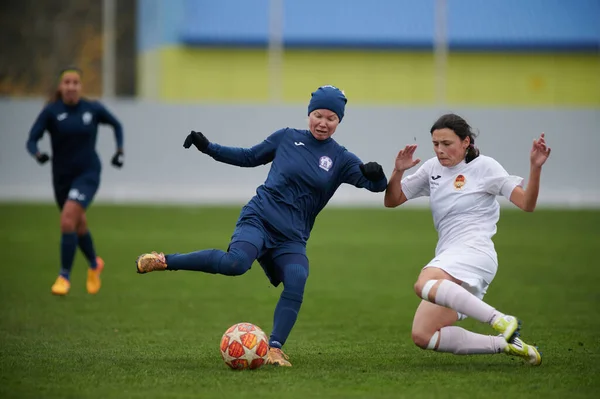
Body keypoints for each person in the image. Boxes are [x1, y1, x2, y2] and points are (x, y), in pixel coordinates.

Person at [135, 85, 388, 367]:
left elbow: (376, 186)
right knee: (236, 263)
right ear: (309, 114)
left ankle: (275, 349)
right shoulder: (286, 138)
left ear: (339, 121)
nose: (323, 123)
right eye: (318, 115)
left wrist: (376, 175)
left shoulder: (340, 158)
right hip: (260, 218)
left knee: (297, 277)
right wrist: (208, 148)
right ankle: (164, 260)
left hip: (291, 237)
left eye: (331, 118)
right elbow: (248, 157)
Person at [384, 113, 549, 366]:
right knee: (423, 334)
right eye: (436, 144)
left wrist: (535, 168)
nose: (440, 150)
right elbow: (392, 200)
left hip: (474, 251)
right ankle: (505, 344)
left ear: (466, 142)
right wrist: (398, 170)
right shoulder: (431, 168)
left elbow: (527, 204)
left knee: (424, 283)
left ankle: (500, 320)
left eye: (447, 143)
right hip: (451, 256)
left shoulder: (485, 167)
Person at [26, 66, 124, 296]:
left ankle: (64, 277)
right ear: (60, 87)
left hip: (88, 174)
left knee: (67, 219)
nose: (71, 86)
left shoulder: (92, 108)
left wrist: (119, 150)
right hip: (61, 178)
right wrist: (37, 154)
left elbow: (117, 125)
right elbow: (31, 140)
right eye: (67, 82)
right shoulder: (51, 112)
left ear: (80, 86)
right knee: (77, 224)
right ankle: (94, 264)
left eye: (75, 82)